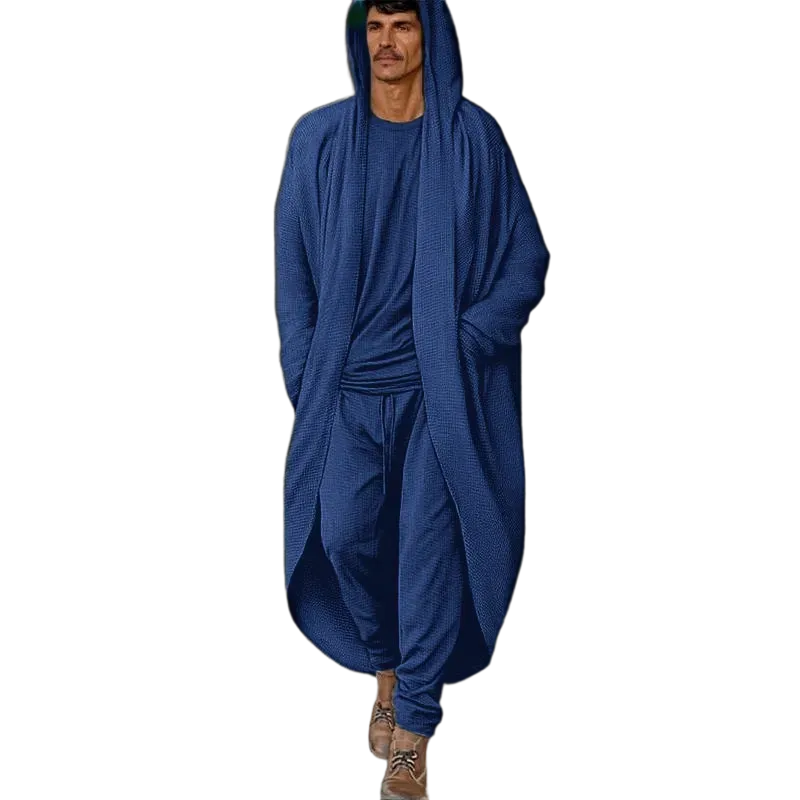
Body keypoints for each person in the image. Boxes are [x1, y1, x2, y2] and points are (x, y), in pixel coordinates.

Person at [275, 1, 547, 796]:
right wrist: (306, 372)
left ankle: (414, 729)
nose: (387, 42)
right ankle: (387, 669)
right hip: (345, 389)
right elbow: (293, 271)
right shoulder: (320, 139)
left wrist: (468, 339)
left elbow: (525, 263)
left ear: (431, 34)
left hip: (437, 391)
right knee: (346, 537)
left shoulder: (470, 140)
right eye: (373, 25)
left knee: (429, 555)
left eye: (403, 24)